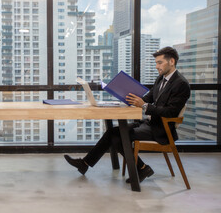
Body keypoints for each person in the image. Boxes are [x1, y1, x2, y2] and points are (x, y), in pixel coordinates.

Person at [64, 46, 190, 183]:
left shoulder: (181, 84)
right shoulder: (161, 79)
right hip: (149, 124)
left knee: (119, 136)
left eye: (159, 62)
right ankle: (85, 164)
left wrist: (143, 105)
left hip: (161, 130)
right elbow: (148, 98)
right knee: (113, 132)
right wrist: (127, 98)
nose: (156, 66)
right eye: (156, 63)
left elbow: (170, 112)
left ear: (171, 61)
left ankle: (142, 168)